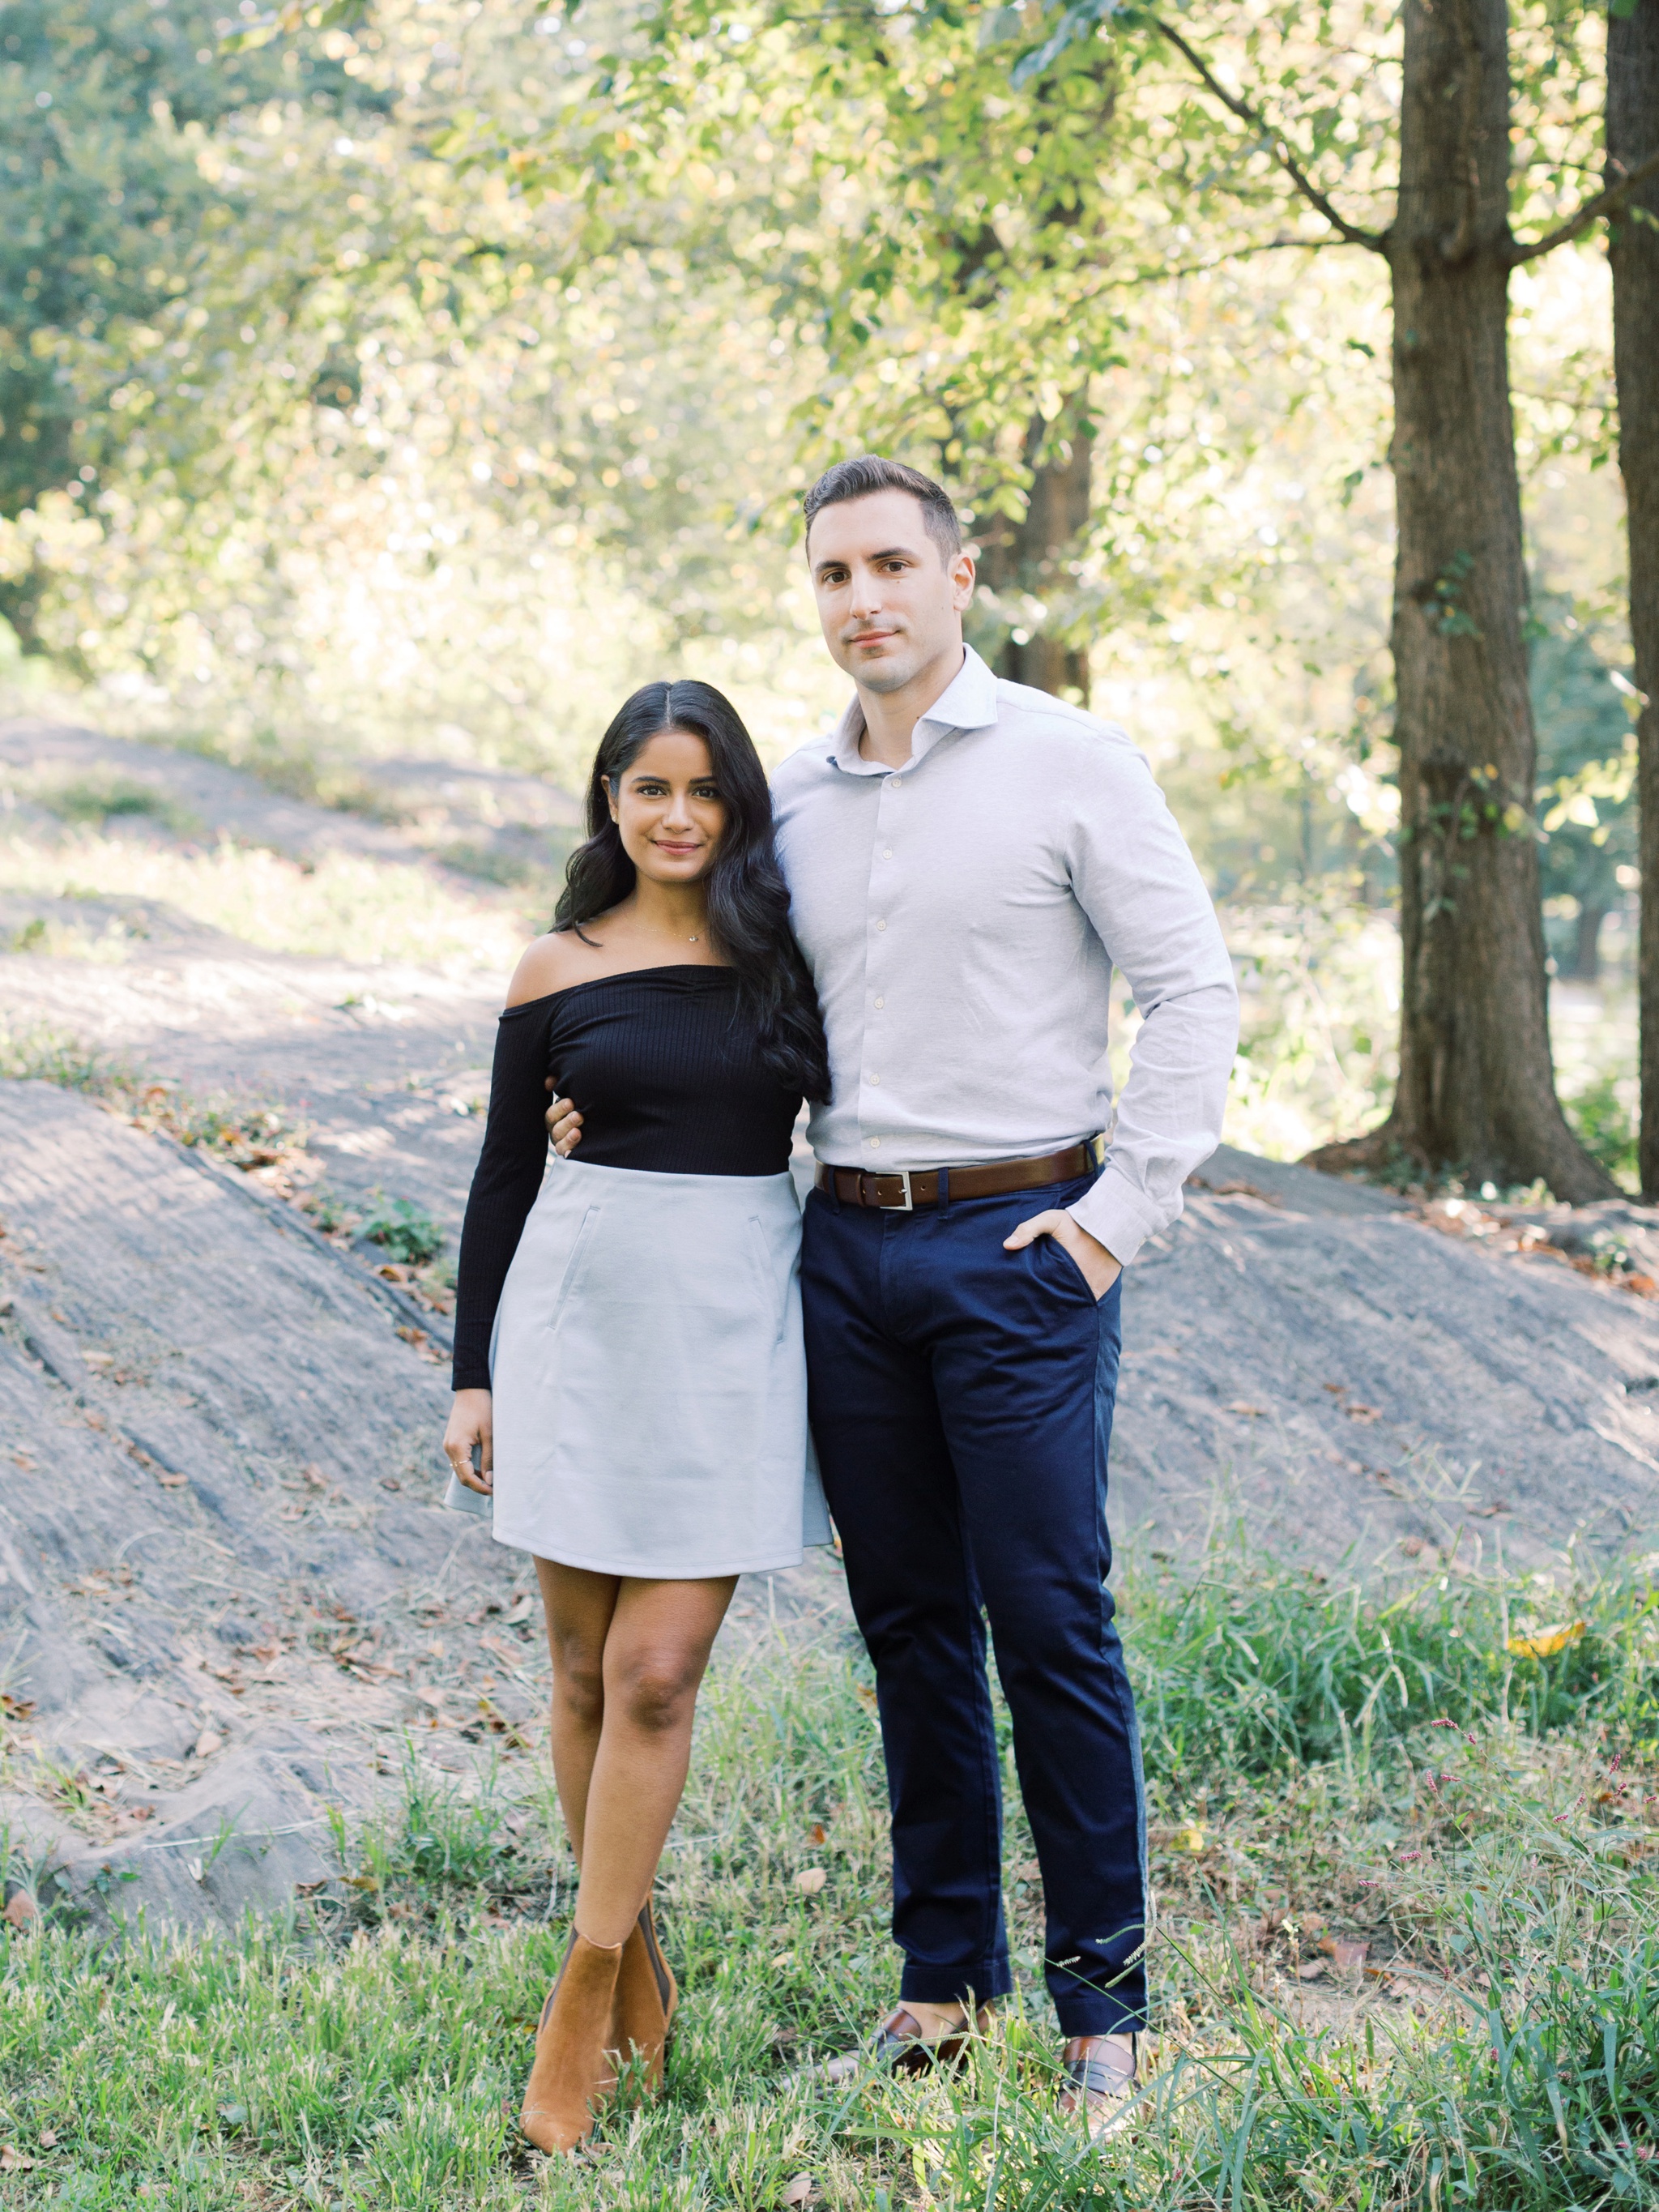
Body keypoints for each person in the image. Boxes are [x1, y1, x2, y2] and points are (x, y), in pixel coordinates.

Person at [548, 455, 1237, 2132]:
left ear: (956, 576)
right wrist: (595, 1096)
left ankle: (1104, 2013)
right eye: (832, 576)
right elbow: (719, 1012)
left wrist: (1112, 1221)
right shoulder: (788, 803)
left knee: (1048, 1623)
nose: (861, 600)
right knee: (909, 1629)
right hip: (840, 1252)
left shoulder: (1070, 765)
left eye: (887, 566)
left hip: (1020, 1249)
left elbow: (1193, 989)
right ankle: (943, 1984)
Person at [443, 678, 832, 2157]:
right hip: (578, 1321)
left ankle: (586, 1984)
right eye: (646, 787)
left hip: (736, 1323)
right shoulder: (557, 963)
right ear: (609, 800)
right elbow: (500, 1175)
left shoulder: (786, 954)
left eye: (701, 789)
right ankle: (638, 1942)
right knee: (583, 1668)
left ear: (735, 802)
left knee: (658, 1669)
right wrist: (473, 1369)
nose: (675, 815)